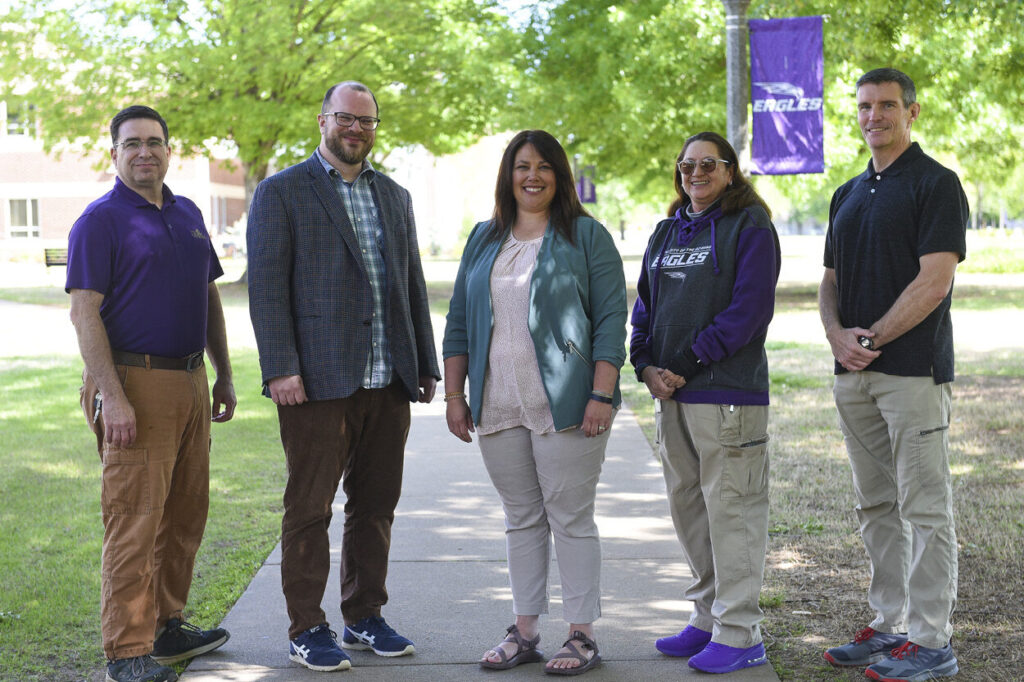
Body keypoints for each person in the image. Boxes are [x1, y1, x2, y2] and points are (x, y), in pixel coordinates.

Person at [246, 81, 439, 673]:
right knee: (309, 507)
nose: (356, 129)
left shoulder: (395, 195)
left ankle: (364, 616)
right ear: (323, 119)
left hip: (387, 378)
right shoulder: (281, 192)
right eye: (345, 118)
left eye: (367, 121)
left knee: (376, 503)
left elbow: (410, 284)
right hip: (315, 383)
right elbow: (267, 287)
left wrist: (423, 364)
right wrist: (280, 367)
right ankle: (307, 627)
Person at [442, 130, 626, 676]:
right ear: (508, 174)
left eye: (544, 166)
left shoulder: (586, 236)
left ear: (559, 175)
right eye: (522, 165)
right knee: (521, 518)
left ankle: (582, 635)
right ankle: (524, 631)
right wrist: (455, 395)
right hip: (498, 401)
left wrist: (602, 392)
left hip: (568, 402)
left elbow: (612, 318)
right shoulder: (483, 238)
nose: (533, 175)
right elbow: (457, 323)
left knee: (570, 517)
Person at [66, 105, 236, 682]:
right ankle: (126, 651)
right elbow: (84, 313)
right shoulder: (100, 220)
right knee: (135, 518)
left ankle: (168, 626)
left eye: (155, 142)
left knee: (185, 515)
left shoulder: (187, 212)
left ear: (169, 149)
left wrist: (224, 372)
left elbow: (207, 296)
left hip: (190, 381)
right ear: (114, 152)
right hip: (134, 382)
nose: (145, 152)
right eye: (132, 143)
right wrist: (113, 398)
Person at [819, 68, 967, 682]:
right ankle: (888, 627)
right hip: (852, 373)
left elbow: (934, 282)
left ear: (911, 111)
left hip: (910, 372)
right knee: (875, 504)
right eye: (864, 106)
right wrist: (835, 336)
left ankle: (933, 642)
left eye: (885, 105)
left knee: (925, 508)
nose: (873, 115)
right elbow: (830, 282)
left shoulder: (936, 184)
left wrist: (870, 338)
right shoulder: (847, 192)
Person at [630, 132, 780, 675]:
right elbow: (644, 306)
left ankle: (740, 632)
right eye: (687, 165)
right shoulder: (667, 231)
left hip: (727, 394)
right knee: (690, 508)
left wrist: (685, 366)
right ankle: (707, 616)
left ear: (730, 170)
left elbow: (749, 311)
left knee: (732, 510)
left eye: (708, 165)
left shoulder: (750, 227)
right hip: (670, 395)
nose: (695, 173)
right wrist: (643, 364)